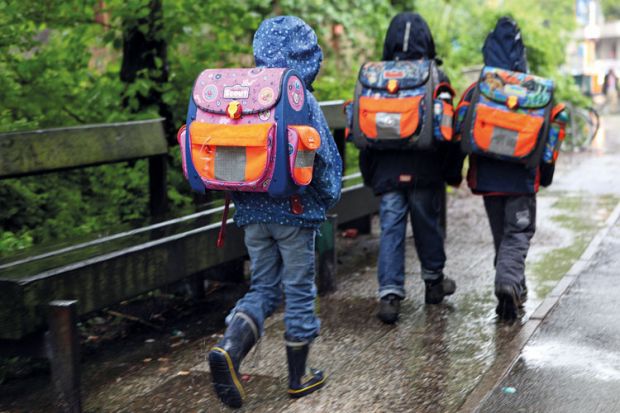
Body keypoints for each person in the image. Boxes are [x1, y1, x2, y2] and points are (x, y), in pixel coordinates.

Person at [207, 16, 342, 408]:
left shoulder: (244, 95)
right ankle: (299, 377)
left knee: (263, 288)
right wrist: (324, 199)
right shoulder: (299, 98)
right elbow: (325, 164)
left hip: (251, 213)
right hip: (295, 216)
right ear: (307, 55)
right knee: (299, 291)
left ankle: (230, 348)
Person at [359, 12, 462, 325]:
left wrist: (370, 173)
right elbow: (449, 130)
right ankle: (433, 282)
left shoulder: (374, 76)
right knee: (426, 224)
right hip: (425, 168)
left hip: (388, 171)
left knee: (390, 227)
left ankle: (389, 295)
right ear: (426, 40)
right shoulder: (435, 75)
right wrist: (450, 172)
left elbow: (362, 132)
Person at [455, 17, 556, 321]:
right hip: (521, 179)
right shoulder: (534, 91)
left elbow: (459, 130)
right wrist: (546, 176)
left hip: (488, 179)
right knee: (519, 232)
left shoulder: (478, 90)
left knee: (504, 237)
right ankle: (508, 284)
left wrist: (455, 171)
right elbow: (550, 140)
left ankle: (511, 294)